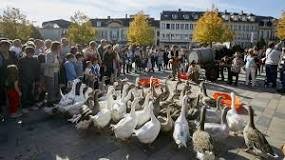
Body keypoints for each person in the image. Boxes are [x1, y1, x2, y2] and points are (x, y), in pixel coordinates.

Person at [18, 47, 40, 112]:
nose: (30, 54)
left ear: (33, 53)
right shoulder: (21, 60)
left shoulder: (35, 60)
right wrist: (19, 79)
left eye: (31, 53)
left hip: (32, 79)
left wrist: (37, 79)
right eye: (28, 53)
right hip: (23, 80)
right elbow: (19, 70)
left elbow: (37, 70)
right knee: (24, 93)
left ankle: (31, 104)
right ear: (26, 53)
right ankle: (24, 106)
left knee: (31, 93)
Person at [44, 41, 61, 106]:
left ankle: (54, 99)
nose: (60, 48)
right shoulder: (49, 54)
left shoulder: (56, 54)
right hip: (50, 72)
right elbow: (48, 64)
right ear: (55, 47)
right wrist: (56, 64)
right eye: (59, 47)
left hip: (55, 71)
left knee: (55, 86)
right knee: (51, 87)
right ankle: (50, 101)